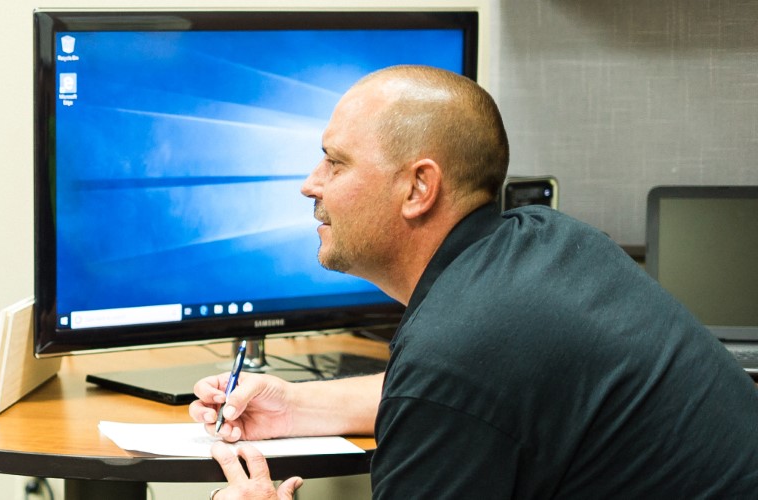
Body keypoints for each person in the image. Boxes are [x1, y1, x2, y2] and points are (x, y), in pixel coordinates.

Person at [189, 65, 758, 499]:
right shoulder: (546, 241)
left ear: (418, 188)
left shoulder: (457, 348)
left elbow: (448, 383)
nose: (310, 185)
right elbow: (470, 390)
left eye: (335, 163)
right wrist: (295, 407)